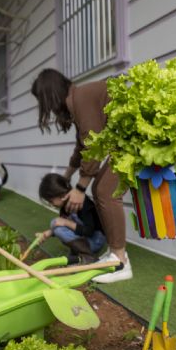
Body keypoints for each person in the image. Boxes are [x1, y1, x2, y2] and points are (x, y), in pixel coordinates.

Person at [31, 68, 132, 283]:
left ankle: (120, 261)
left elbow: (93, 144)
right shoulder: (77, 100)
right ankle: (115, 254)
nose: (45, 108)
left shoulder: (82, 97)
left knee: (105, 190)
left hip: (134, 140)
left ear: (49, 94)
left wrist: (79, 188)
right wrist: (68, 175)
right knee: (101, 189)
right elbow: (82, 147)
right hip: (125, 141)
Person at [35, 173, 106, 264]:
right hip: (85, 238)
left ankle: (88, 257)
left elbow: (89, 231)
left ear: (62, 195)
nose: (51, 204)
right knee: (55, 223)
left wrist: (66, 222)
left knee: (59, 228)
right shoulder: (65, 206)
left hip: (96, 239)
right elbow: (61, 224)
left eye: (51, 201)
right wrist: (47, 234)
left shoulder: (83, 203)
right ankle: (78, 251)